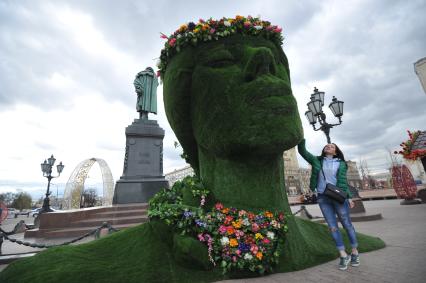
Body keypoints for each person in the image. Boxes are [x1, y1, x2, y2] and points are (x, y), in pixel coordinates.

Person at [297, 139, 360, 270]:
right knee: (332, 226)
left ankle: (354, 251)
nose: (328, 147)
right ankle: (343, 255)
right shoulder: (317, 160)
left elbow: (343, 181)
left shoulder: (341, 163)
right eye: (326, 146)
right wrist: (300, 138)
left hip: (338, 197)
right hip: (323, 197)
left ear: (336, 151)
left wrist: (349, 197)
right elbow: (302, 151)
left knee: (347, 224)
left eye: (331, 146)